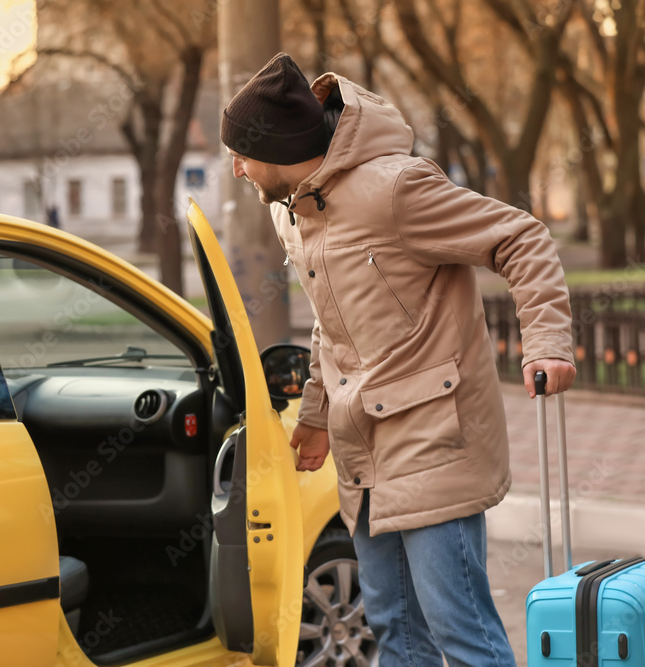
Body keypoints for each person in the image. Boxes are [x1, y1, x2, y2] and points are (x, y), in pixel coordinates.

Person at [221, 53, 576, 666]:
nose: (235, 169)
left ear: (275, 146)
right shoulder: (294, 216)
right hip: (365, 449)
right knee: (394, 632)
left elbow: (521, 237)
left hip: (434, 440)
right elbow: (333, 325)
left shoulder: (396, 189)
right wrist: (312, 416)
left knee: (460, 634)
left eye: (242, 153)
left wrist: (546, 342)